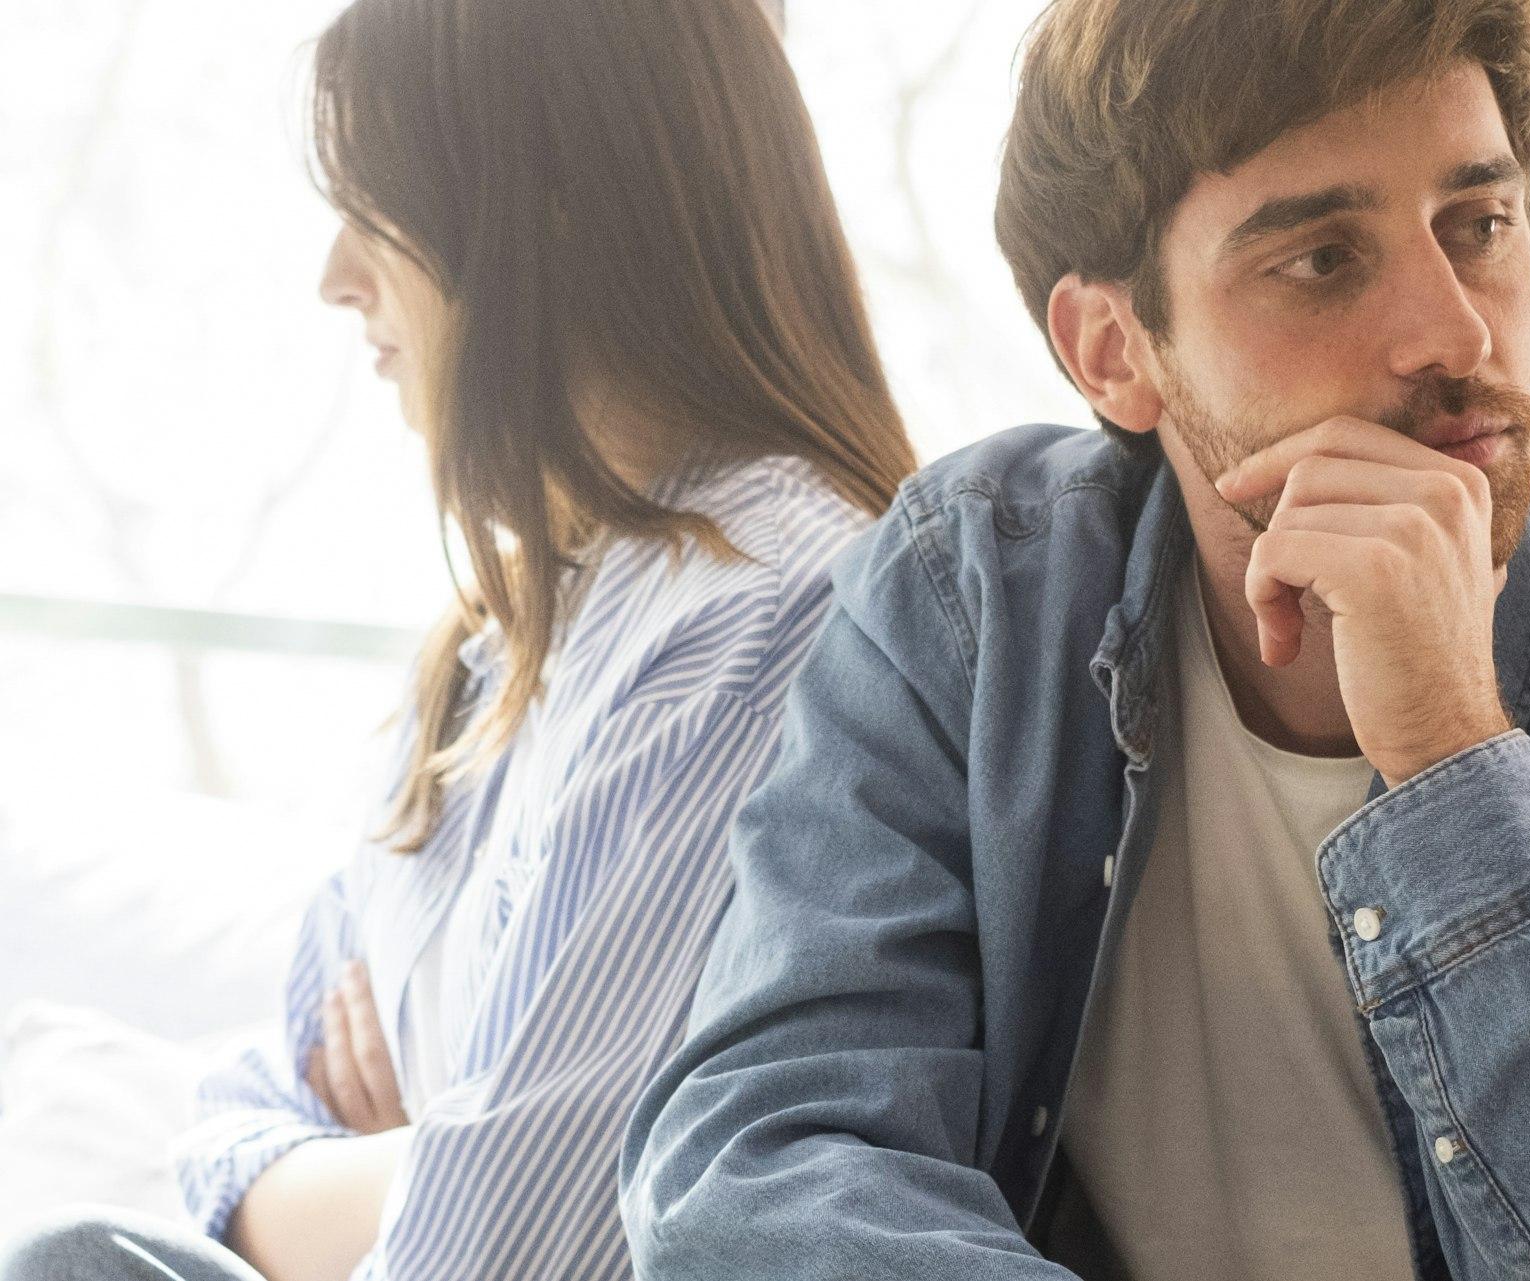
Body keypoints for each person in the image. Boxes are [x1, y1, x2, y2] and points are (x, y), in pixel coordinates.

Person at [618, 0, 1530, 1277]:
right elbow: (757, 1168)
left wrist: (1453, 763)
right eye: (1322, 259)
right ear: (1111, 351)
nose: (1455, 329)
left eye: (1479, 223)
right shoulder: (975, 600)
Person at [0, 0, 913, 1277]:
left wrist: (421, 1163)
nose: (334, 274)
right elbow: (243, 1102)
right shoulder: (499, 642)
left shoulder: (763, 617)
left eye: (378, 206)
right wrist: (418, 1161)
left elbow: (496, 1249)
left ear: (537, 212)